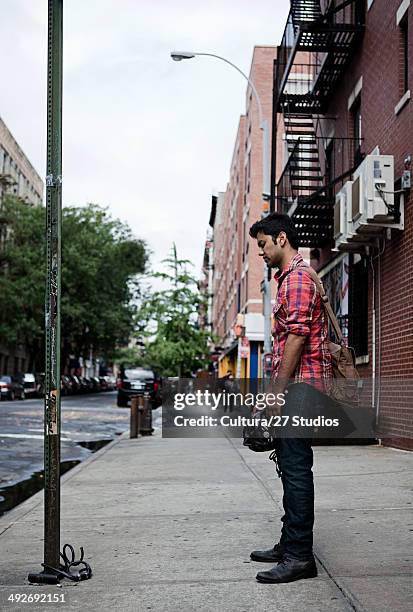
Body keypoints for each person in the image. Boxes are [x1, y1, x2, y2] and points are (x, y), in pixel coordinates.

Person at [248, 212, 333, 584]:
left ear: (281, 239)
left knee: (297, 471)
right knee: (288, 467)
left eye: (263, 244)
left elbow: (296, 339)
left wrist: (276, 395)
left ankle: (299, 556)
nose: (261, 253)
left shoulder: (297, 280)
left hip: (300, 390)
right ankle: (289, 543)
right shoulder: (291, 278)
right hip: (296, 387)